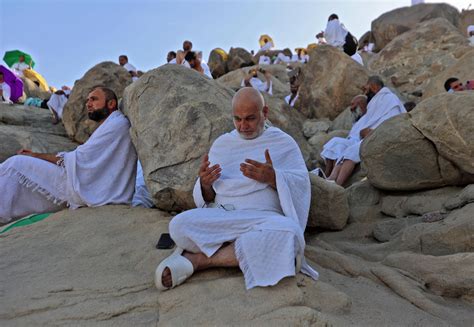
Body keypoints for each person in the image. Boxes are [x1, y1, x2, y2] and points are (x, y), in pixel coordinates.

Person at [155, 87, 318, 291]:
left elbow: (301, 187)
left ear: (264, 113)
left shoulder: (282, 142)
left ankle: (200, 260)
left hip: (263, 219)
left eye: (250, 118)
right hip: (224, 218)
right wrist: (205, 183)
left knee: (290, 234)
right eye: (237, 119)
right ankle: (246, 250)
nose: (243, 126)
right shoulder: (222, 144)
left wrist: (273, 177)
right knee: (178, 225)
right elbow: (208, 199)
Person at [0, 86, 137, 223]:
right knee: (24, 172)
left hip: (86, 187)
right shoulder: (111, 124)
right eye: (87, 100)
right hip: (86, 183)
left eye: (94, 99)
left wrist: (36, 156)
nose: (88, 104)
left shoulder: (116, 124)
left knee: (15, 163)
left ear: (111, 103)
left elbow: (79, 158)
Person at [323, 76, 406, 185]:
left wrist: (373, 131)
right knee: (343, 148)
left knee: (351, 151)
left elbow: (392, 119)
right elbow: (370, 121)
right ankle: (330, 178)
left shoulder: (389, 98)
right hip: (370, 137)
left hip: (381, 136)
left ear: (374, 87)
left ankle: (337, 185)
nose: (365, 93)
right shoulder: (375, 101)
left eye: (367, 89)